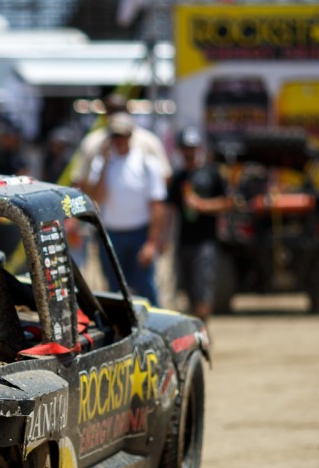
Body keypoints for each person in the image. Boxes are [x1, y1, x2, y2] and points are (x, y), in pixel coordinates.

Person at [82, 112, 167, 304]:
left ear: (130, 136)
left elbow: (157, 204)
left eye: (122, 136)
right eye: (115, 136)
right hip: (112, 233)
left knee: (144, 287)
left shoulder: (146, 162)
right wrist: (105, 164)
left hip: (139, 232)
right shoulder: (102, 163)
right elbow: (97, 197)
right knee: (115, 290)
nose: (119, 141)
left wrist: (152, 242)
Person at [167, 127, 232, 323]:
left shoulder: (211, 173)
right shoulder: (178, 177)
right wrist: (160, 240)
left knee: (203, 288)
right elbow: (169, 209)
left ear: (199, 148)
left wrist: (203, 205)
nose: (189, 152)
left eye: (192, 148)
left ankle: (204, 327)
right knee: (188, 290)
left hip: (205, 241)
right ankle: (197, 327)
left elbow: (228, 202)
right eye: (185, 148)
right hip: (184, 241)